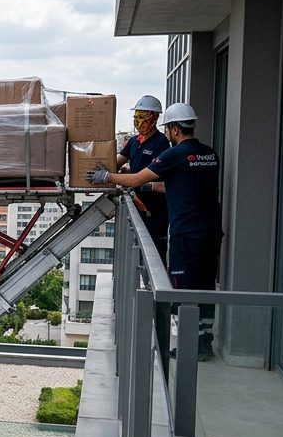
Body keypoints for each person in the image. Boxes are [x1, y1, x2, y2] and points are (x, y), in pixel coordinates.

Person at [90, 102, 223, 358]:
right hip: (211, 231)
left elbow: (138, 178)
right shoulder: (209, 154)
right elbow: (178, 185)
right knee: (206, 286)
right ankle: (205, 343)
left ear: (173, 129)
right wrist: (149, 188)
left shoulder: (174, 154)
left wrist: (107, 177)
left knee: (183, 290)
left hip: (187, 233)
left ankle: (188, 349)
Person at [117, 95, 170, 260]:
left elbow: (163, 175)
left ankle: (153, 283)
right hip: (137, 204)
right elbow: (118, 161)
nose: (138, 121)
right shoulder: (134, 141)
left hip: (154, 209)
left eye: (142, 117)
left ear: (153, 118)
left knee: (154, 251)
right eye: (136, 117)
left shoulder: (161, 143)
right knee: (137, 248)